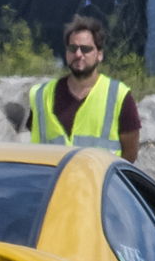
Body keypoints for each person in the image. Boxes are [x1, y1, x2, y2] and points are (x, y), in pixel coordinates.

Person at [26, 15, 140, 161]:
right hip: (52, 183)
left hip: (97, 183)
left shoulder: (119, 96)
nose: (78, 54)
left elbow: (130, 155)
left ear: (99, 55)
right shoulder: (41, 96)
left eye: (85, 49)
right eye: (72, 48)